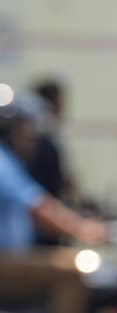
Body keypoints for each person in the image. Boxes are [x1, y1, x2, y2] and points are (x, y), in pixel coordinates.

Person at [0, 101, 107, 313]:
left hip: (12, 256)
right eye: (24, 129)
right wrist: (83, 229)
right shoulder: (3, 161)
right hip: (4, 259)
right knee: (73, 271)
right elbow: (38, 208)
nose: (31, 137)